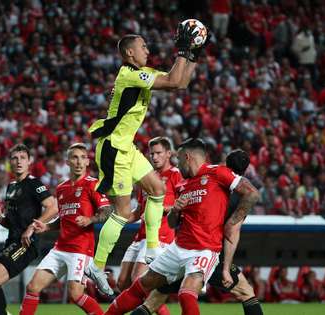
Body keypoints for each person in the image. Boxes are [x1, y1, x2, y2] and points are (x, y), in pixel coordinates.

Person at [86, 23, 207, 295]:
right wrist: (184, 49)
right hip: (113, 148)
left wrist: (193, 54)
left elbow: (181, 82)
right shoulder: (128, 74)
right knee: (123, 212)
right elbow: (174, 80)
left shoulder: (142, 73)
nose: (148, 50)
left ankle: (152, 249)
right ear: (129, 52)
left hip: (126, 147)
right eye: (143, 46)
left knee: (158, 190)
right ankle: (97, 264)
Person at [104, 139, 259, 315]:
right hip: (177, 248)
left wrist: (233, 222)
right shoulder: (183, 184)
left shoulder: (217, 173)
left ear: (187, 157)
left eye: (179, 158)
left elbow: (252, 193)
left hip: (204, 250)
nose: (178, 163)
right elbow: (172, 224)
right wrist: (175, 211)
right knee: (142, 285)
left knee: (185, 295)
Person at [19, 143, 112, 315]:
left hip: (80, 250)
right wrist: (47, 226)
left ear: (87, 162)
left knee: (76, 294)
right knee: (32, 287)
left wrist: (90, 219)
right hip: (60, 248)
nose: (78, 162)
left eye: (82, 158)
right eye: (74, 157)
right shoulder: (62, 188)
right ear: (68, 161)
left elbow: (107, 210)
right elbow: (63, 219)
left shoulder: (93, 184)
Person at [0, 144, 58, 315]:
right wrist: (0, 218)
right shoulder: (11, 187)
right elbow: (11, 223)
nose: (19, 161)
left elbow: (53, 207)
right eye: (15, 158)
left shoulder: (34, 183)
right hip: (11, 243)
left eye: (23, 158)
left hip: (26, 244)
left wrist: (32, 227)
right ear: (10, 162)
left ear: (29, 161)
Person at [117, 137, 182, 315]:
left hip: (160, 236)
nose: (154, 157)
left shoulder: (176, 174)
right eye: (151, 153)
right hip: (140, 236)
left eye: (159, 153)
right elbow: (139, 211)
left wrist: (161, 209)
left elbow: (183, 204)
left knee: (138, 280)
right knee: (122, 282)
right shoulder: (147, 178)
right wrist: (119, 219)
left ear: (169, 153)